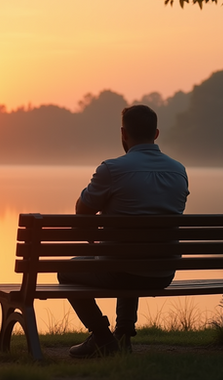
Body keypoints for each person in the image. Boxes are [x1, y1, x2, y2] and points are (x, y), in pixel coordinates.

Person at [58, 104, 189, 358]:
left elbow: (82, 213)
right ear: (157, 134)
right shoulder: (178, 171)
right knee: (130, 257)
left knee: (67, 270)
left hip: (121, 270)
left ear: (123, 134)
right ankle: (123, 336)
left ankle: (102, 337)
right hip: (163, 272)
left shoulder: (112, 169)